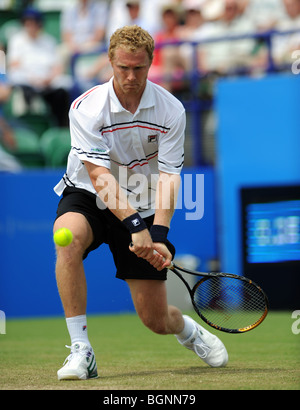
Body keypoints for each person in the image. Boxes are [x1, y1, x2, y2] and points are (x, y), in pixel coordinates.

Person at [53, 25, 228, 381]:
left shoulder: (171, 110)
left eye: (139, 69)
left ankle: (188, 332)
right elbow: (100, 177)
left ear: (150, 64)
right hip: (88, 192)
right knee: (67, 239)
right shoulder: (87, 108)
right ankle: (81, 351)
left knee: (156, 321)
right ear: (110, 63)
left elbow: (168, 176)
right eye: (123, 68)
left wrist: (158, 233)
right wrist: (135, 227)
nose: (131, 77)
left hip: (144, 198)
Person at [6, 7, 70, 127]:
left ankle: (61, 125)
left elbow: (57, 67)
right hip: (26, 80)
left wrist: (48, 79)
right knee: (17, 80)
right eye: (28, 23)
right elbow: (13, 64)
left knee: (64, 87)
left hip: (47, 82)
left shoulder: (49, 41)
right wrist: (32, 78)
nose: (31, 26)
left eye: (34, 23)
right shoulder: (17, 40)